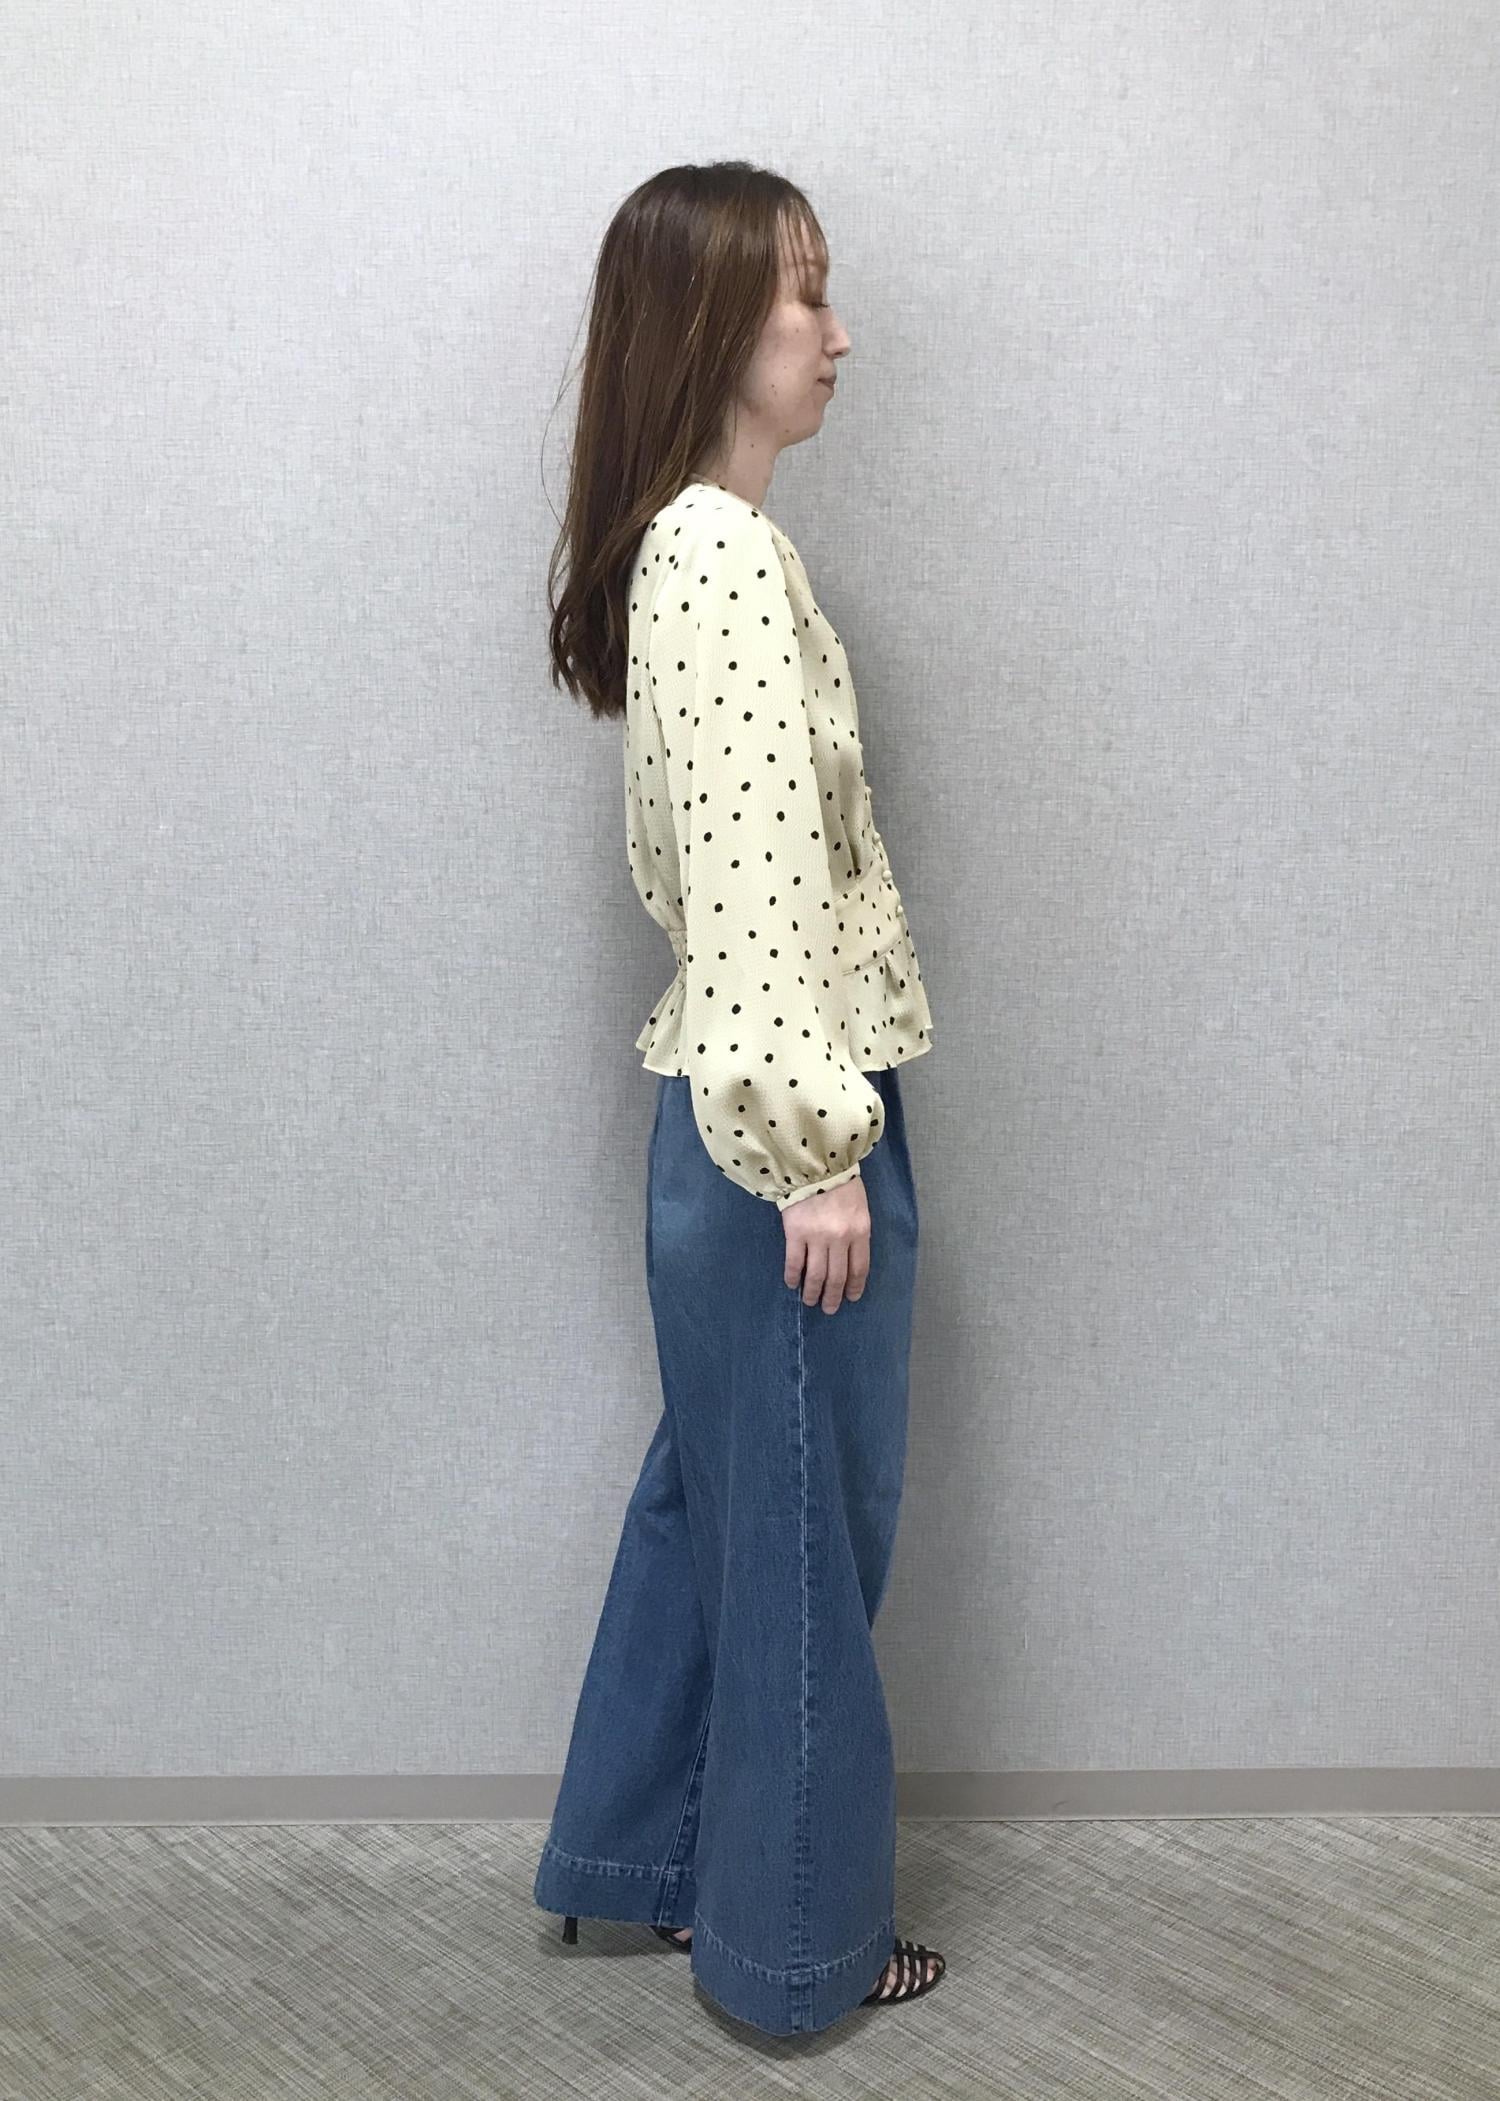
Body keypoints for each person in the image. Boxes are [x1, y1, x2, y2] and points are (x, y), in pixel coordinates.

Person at [532, 158, 944, 2036]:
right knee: (794, 1542)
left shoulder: (693, 550)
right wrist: (816, 1155)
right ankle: (793, 1958)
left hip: (738, 1113)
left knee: (723, 1496)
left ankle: (643, 1856)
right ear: (711, 325)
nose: (837, 334)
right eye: (804, 295)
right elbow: (760, 878)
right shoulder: (716, 558)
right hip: (779, 1123)